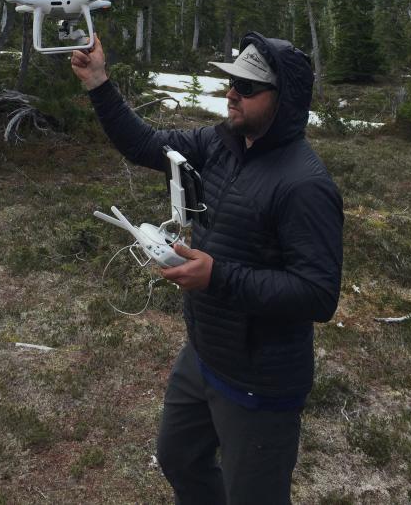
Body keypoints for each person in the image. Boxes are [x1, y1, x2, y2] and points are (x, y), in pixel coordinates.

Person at [71, 31, 343, 505]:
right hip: (204, 353)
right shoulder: (220, 143)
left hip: (261, 381)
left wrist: (217, 275)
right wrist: (98, 81)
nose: (232, 93)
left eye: (249, 87)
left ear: (286, 100)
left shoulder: (305, 185)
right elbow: (144, 145)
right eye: (232, 81)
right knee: (178, 458)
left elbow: (318, 294)